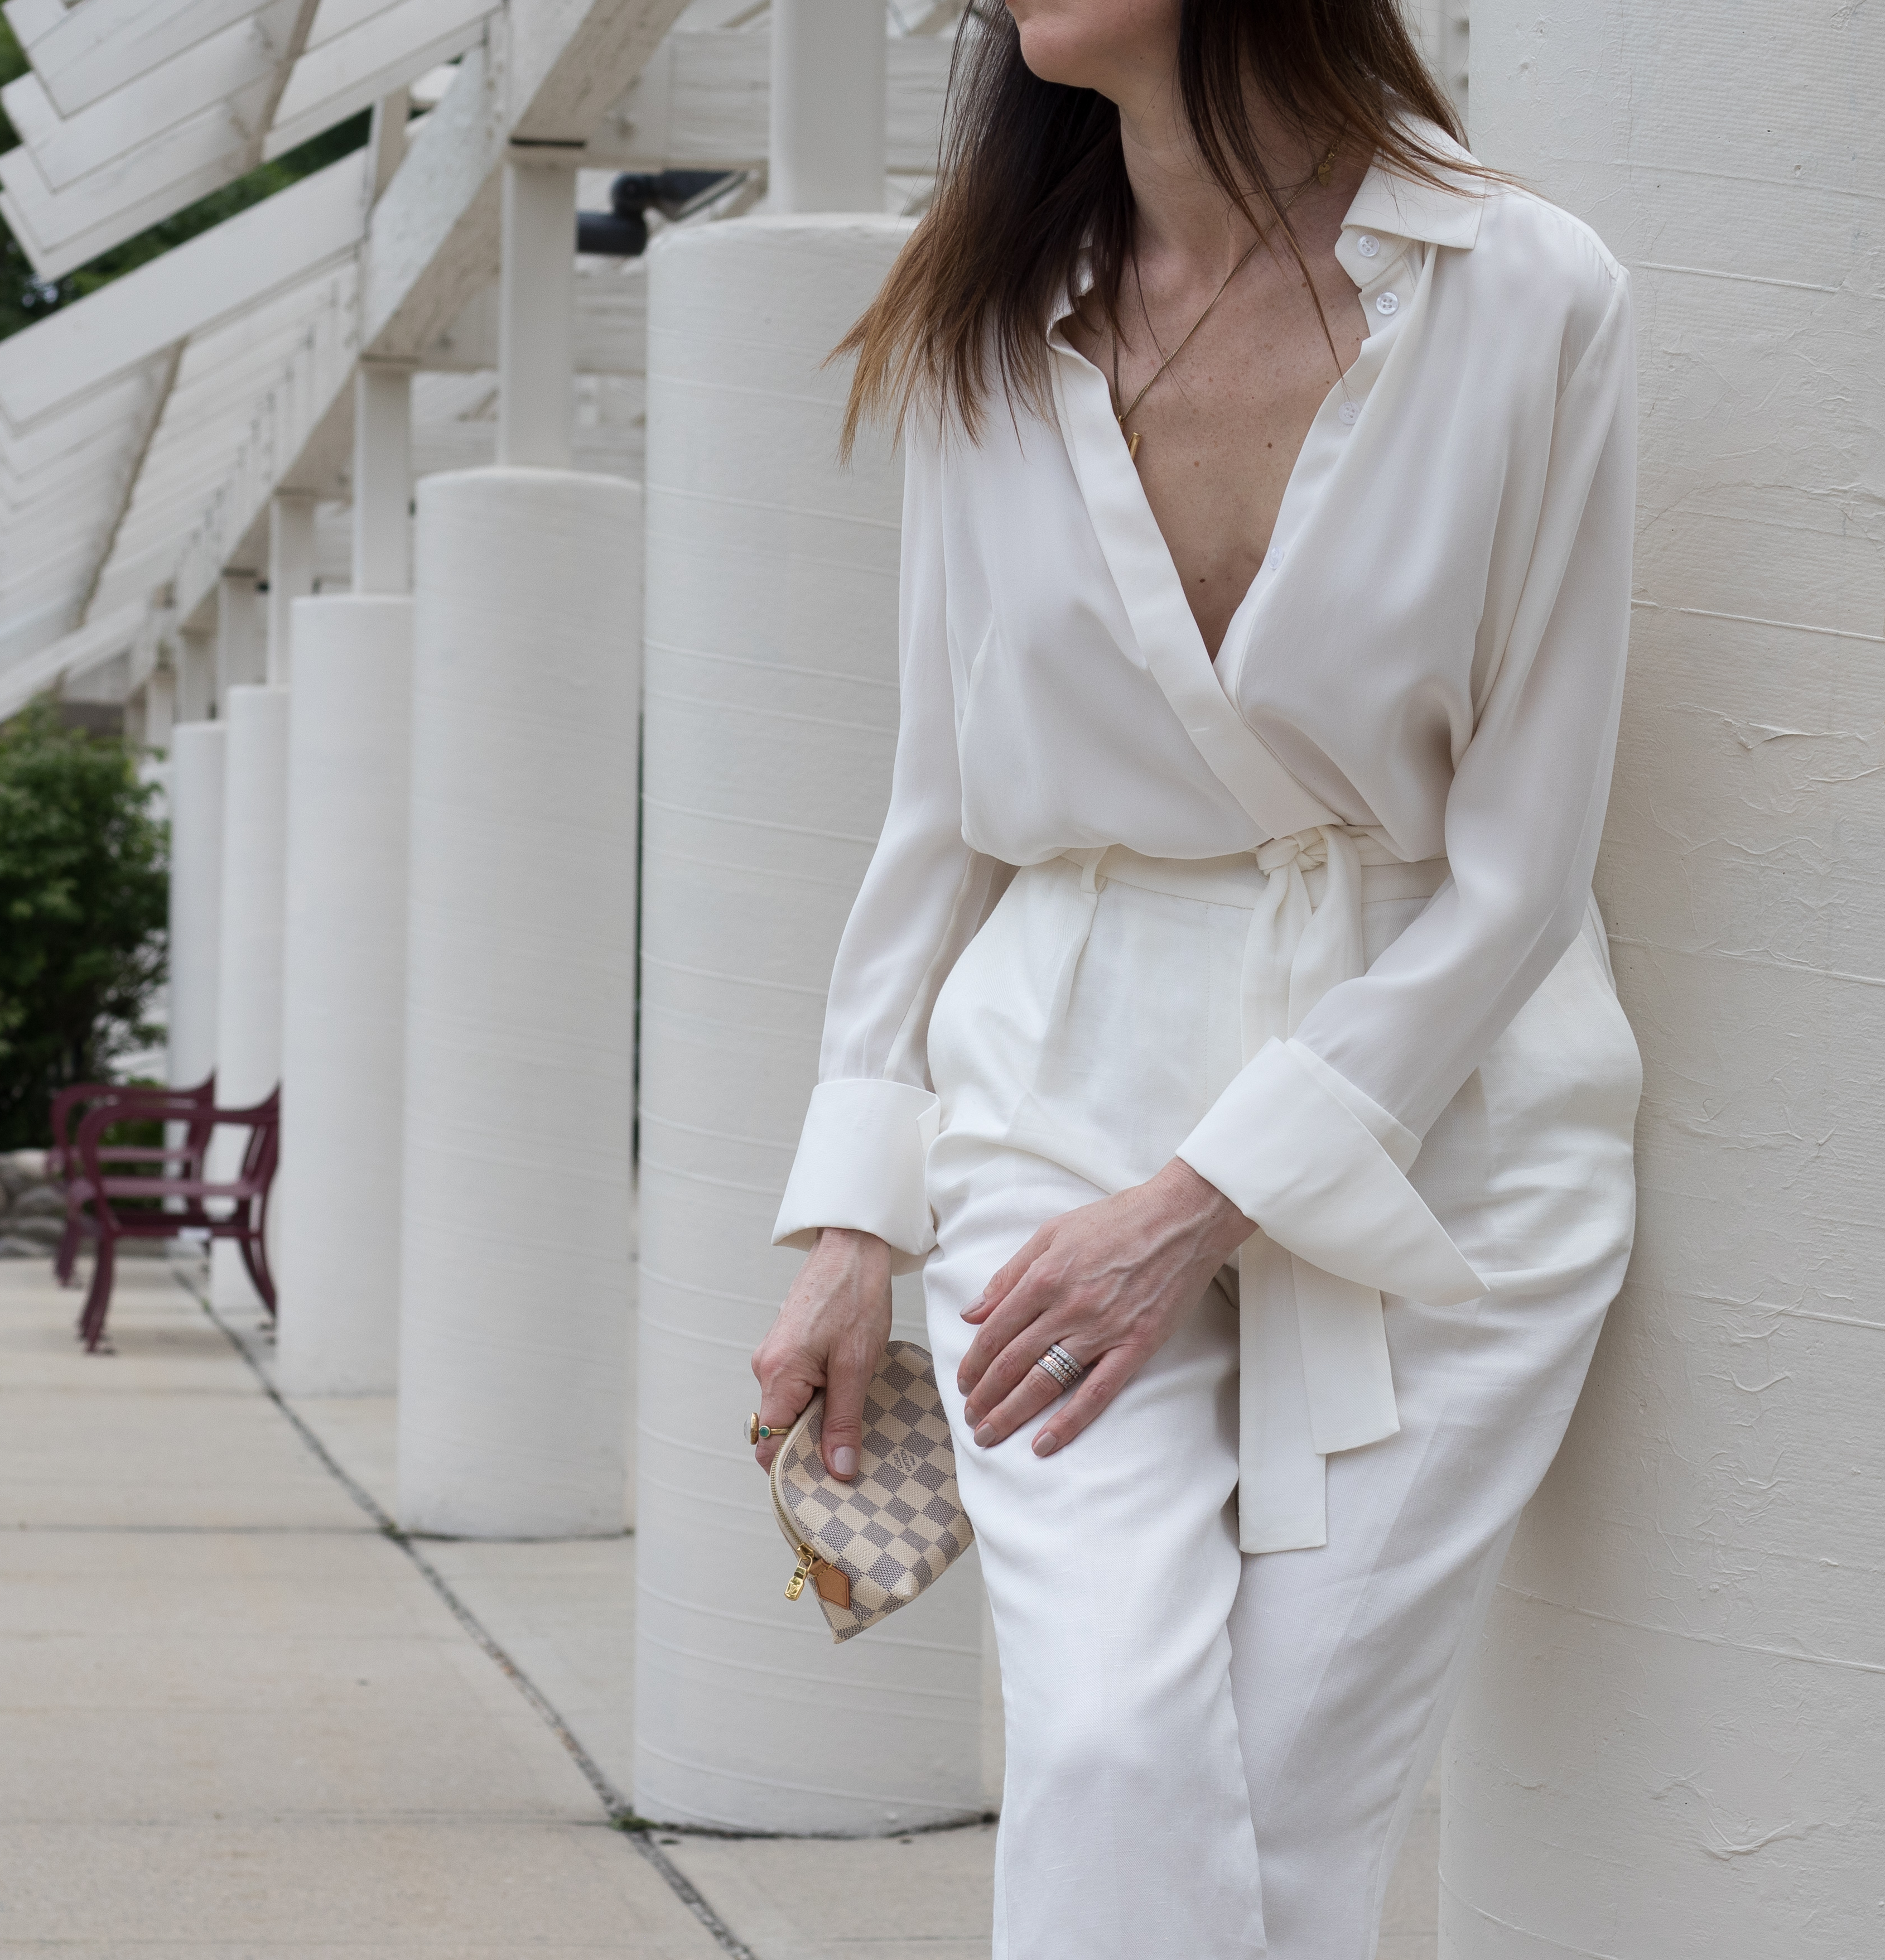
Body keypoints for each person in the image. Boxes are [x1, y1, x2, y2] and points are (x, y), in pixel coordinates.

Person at [747, 0, 1641, 1950]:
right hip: (1058, 1079)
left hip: (1446, 1126)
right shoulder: (986, 317)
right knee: (1114, 1754)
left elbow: (1524, 856)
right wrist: (851, 1215)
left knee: (1301, 1820)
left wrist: (1212, 1197)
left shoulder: (1525, 293)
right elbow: (936, 809)